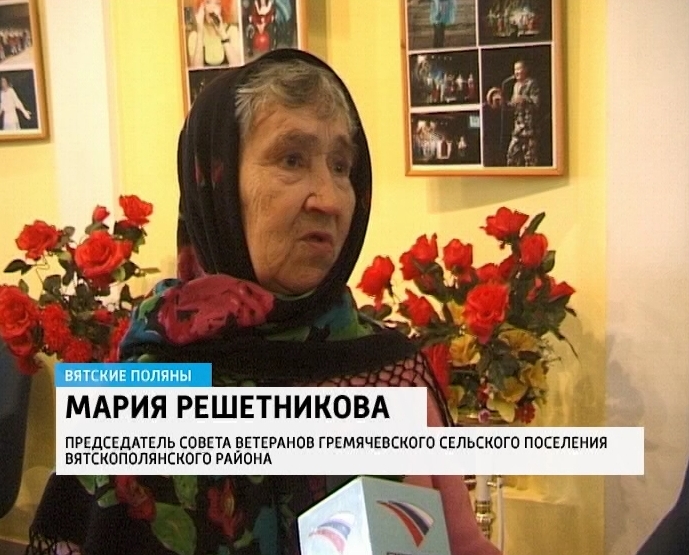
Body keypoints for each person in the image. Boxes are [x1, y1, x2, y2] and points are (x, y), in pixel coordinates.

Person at [25, 49, 501, 555]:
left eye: (341, 166)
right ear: (216, 183)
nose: (330, 199)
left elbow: (462, 543)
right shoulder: (142, 386)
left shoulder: (389, 369)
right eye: (292, 160)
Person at [505, 59, 540, 166]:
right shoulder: (516, 86)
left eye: (519, 69)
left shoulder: (532, 83)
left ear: (526, 69)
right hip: (518, 129)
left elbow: (536, 103)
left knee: (530, 160)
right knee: (512, 156)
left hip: (529, 129)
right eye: (515, 70)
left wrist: (523, 99)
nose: (516, 72)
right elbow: (513, 105)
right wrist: (504, 103)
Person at [187, 0, 241, 68]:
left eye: (217, 4)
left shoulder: (232, 31)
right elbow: (197, 69)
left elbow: (238, 66)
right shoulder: (194, 36)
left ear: (222, 8)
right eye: (208, 2)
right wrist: (200, 32)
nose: (212, 8)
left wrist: (223, 34)